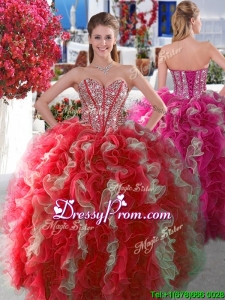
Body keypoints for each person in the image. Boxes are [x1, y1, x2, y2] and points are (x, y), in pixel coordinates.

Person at [0, 12, 204, 300]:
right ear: (90, 38)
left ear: (115, 38)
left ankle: (119, 280)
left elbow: (160, 107)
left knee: (124, 218)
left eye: (108, 37)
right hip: (83, 148)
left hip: (121, 149)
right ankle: (85, 281)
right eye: (98, 37)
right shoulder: (78, 74)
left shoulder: (129, 72)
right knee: (79, 216)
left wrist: (142, 134)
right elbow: (42, 103)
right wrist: (61, 132)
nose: (103, 43)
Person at [127, 1, 225, 243]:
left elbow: (160, 91)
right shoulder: (207, 47)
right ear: (192, 21)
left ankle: (180, 217)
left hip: (175, 109)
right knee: (206, 164)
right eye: (200, 18)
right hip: (204, 109)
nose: (201, 23)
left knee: (177, 164)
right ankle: (203, 218)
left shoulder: (166, 52)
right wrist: (219, 97)